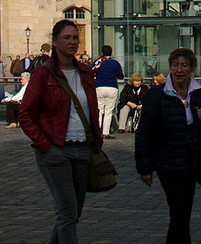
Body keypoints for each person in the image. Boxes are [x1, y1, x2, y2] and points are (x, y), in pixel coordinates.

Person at [19, 18, 106, 244]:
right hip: (56, 150)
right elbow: (25, 115)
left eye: (75, 37)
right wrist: (45, 145)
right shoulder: (43, 74)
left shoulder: (85, 72)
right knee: (67, 212)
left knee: (73, 213)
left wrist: (96, 141)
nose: (72, 42)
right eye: (66, 38)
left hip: (83, 150)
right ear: (55, 42)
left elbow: (93, 110)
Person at [136, 47, 201, 244]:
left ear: (191, 68)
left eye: (184, 65)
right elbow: (144, 133)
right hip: (167, 162)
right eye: (175, 65)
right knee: (179, 209)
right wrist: (145, 168)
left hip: (191, 160)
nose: (179, 70)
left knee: (183, 213)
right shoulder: (157, 95)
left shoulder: (197, 91)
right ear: (170, 67)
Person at [91, 45, 124, 138]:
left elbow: (91, 71)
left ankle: (97, 131)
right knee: (109, 111)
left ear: (102, 52)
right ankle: (106, 132)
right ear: (111, 53)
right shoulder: (115, 63)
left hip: (99, 87)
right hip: (112, 87)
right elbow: (121, 76)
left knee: (99, 110)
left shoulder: (98, 62)